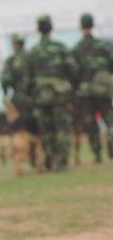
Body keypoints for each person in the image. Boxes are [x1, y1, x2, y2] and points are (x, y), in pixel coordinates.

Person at [26, 15, 77, 171]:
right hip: (60, 96)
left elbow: (27, 79)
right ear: (51, 28)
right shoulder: (60, 48)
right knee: (61, 129)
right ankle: (62, 163)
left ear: (38, 29)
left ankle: (49, 160)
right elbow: (73, 70)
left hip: (41, 97)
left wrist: (31, 96)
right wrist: (70, 91)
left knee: (46, 130)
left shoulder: (33, 52)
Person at [72, 13, 113, 163]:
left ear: (81, 26)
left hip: (86, 93)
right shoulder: (104, 46)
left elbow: (73, 73)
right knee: (110, 121)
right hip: (103, 90)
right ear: (92, 25)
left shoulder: (77, 49)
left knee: (91, 124)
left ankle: (97, 155)